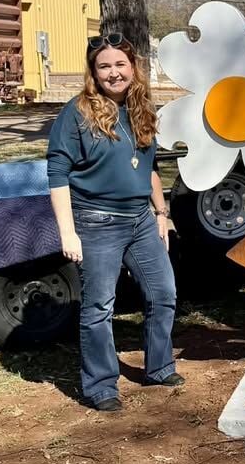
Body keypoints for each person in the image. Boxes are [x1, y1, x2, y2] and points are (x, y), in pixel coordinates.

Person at [47, 33, 183, 411]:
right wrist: (68, 232)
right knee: (99, 308)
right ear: (94, 72)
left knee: (163, 294)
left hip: (141, 220)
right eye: (104, 66)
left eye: (120, 64)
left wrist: (161, 212)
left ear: (132, 67)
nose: (113, 72)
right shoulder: (77, 113)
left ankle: (159, 367)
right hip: (96, 222)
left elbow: (149, 167)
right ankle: (101, 386)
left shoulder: (140, 109)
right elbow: (57, 172)